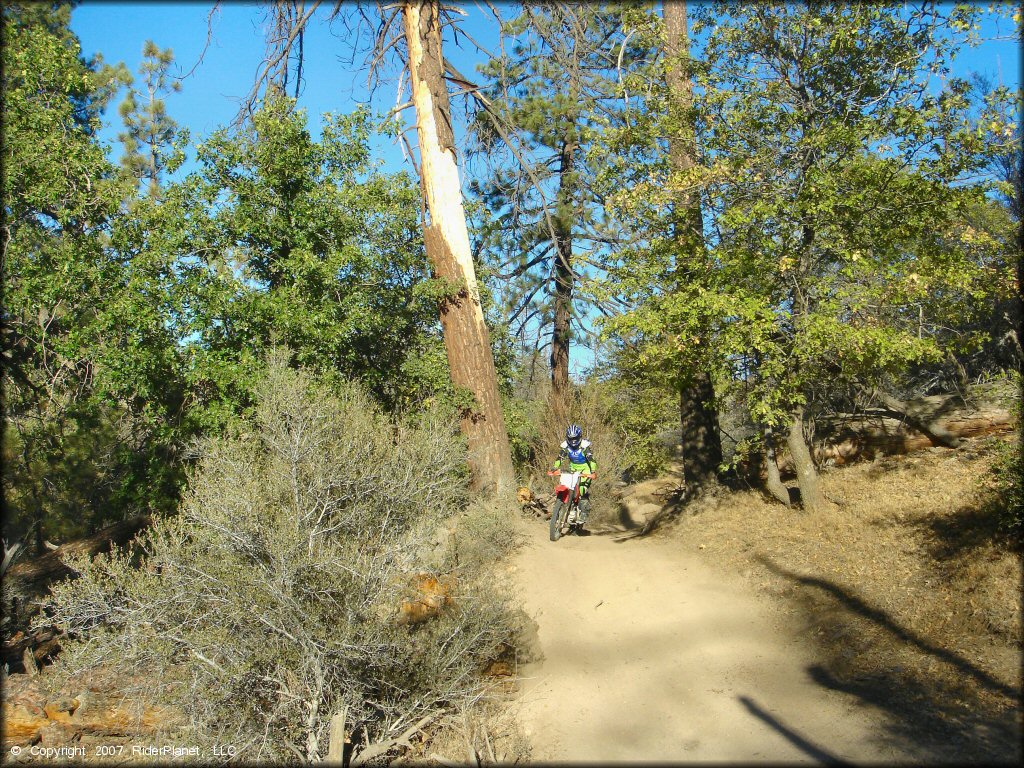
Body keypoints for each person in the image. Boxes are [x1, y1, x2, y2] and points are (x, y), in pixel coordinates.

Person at [550, 423, 597, 528]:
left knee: (582, 489)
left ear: (579, 436)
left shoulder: (584, 446)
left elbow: (591, 459)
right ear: (567, 438)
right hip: (573, 468)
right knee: (566, 485)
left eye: (575, 438)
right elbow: (560, 458)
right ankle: (561, 508)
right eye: (571, 438)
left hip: (585, 469)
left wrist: (593, 472)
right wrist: (555, 467)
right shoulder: (566, 446)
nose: (573, 441)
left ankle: (584, 513)